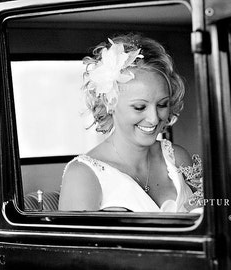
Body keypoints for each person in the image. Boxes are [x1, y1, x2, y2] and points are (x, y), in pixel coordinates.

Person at [58, 34, 202, 212]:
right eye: (140, 107)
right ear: (109, 103)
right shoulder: (83, 176)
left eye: (162, 104)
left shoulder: (178, 158)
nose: (154, 118)